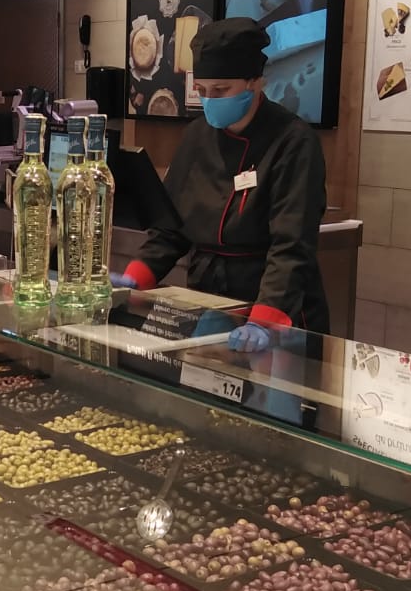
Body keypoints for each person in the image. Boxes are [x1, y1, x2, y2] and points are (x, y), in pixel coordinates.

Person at [115, 17, 329, 350]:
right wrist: (137, 276)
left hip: (275, 305)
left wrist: (264, 320)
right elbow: (171, 228)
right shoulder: (196, 136)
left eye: (221, 90)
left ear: (255, 82)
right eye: (202, 91)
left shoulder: (294, 141)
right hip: (208, 301)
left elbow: (291, 247)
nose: (210, 100)